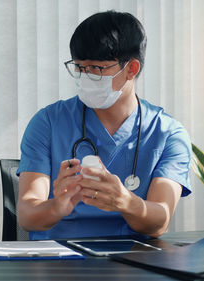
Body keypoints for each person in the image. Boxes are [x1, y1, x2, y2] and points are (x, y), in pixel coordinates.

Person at [17, 11, 191, 240]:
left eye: (96, 69)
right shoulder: (48, 122)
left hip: (133, 262)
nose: (85, 77)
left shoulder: (168, 134)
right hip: (60, 260)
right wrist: (56, 206)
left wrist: (126, 202)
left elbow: (160, 222)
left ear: (131, 69)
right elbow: (27, 216)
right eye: (79, 68)